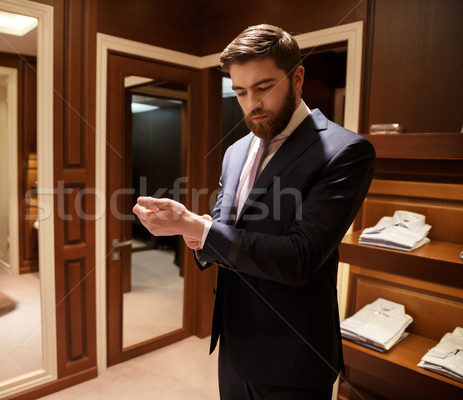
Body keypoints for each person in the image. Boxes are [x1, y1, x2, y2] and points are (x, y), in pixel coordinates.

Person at [133, 24, 375, 399]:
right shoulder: (235, 152)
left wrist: (201, 227)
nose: (251, 104)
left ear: (297, 78)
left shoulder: (345, 151)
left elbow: (300, 257)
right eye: (241, 92)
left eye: (264, 88)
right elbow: (225, 227)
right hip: (233, 344)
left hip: (293, 354)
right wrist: (187, 227)